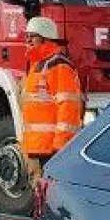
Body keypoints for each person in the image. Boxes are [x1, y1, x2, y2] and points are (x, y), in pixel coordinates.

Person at [19, 16, 82, 188]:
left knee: (50, 194)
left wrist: (60, 146)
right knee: (41, 193)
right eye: (27, 36)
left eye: (33, 36)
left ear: (46, 38)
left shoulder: (58, 65)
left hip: (50, 149)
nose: (28, 40)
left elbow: (68, 107)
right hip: (37, 146)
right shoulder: (38, 64)